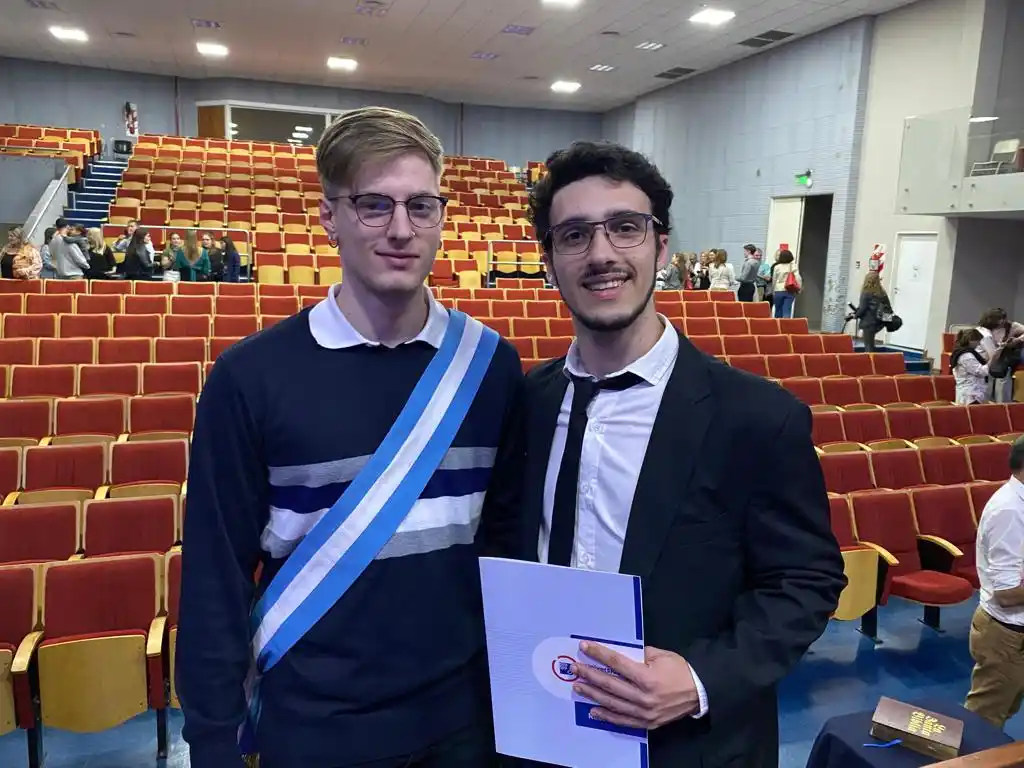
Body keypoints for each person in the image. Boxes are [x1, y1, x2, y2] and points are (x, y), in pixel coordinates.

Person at [176, 106, 523, 768]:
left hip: (462, 723)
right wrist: (214, 741)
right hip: (312, 725)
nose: (401, 229)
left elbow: (505, 547)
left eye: (422, 207)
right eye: (374, 205)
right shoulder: (249, 377)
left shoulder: (491, 367)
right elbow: (214, 580)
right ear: (329, 215)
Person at [494, 140, 845, 768]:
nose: (601, 254)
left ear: (660, 245)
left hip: (689, 749)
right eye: (574, 235)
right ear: (548, 259)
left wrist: (701, 679)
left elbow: (806, 581)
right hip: (540, 734)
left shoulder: (757, 417)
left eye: (624, 228)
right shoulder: (525, 403)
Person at [964, 436, 1024, 729]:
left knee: (1007, 706)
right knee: (983, 723)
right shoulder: (1009, 512)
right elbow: (1008, 594)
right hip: (1006, 635)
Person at [978, 308, 1024, 403]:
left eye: (1003, 318)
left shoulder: (1012, 326)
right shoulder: (986, 329)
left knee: (1002, 384)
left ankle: (1002, 406)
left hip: (1005, 358)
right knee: (988, 386)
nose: (1002, 321)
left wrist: (1018, 340)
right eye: (999, 319)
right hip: (989, 358)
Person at [853, 271, 892, 353]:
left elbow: (862, 308)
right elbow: (889, 308)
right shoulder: (882, 292)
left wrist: (855, 315)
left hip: (868, 322)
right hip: (880, 322)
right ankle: (872, 362)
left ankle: (870, 363)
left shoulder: (866, 292)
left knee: (868, 345)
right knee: (871, 343)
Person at [951, 328, 992, 405]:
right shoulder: (966, 356)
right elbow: (981, 372)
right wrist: (992, 360)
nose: (979, 344)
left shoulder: (963, 352)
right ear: (971, 340)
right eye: (978, 341)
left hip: (971, 391)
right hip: (970, 393)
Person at [770, 249, 801, 318]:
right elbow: (798, 278)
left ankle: (778, 326)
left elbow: (774, 279)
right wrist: (799, 289)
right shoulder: (793, 266)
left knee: (778, 310)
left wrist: (773, 291)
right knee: (787, 310)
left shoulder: (777, 267)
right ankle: (786, 326)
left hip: (778, 290)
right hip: (789, 290)